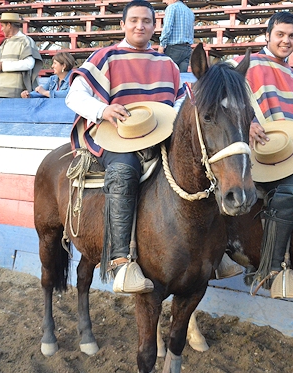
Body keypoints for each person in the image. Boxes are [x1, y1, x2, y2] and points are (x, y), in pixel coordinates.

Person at [65, 0, 184, 293]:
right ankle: (121, 260)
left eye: (146, 21)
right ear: (123, 25)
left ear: (155, 26)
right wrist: (102, 110)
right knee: (123, 170)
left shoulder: (167, 63)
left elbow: (181, 101)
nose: (140, 26)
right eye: (134, 21)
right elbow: (74, 96)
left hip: (159, 135)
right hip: (115, 135)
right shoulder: (106, 56)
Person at [231, 11, 293, 299]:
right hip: (250, 151)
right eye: (280, 34)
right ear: (267, 36)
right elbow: (222, 101)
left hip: (287, 154)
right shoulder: (245, 65)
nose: (286, 41)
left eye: (292, 36)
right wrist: (249, 123)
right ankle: (271, 271)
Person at [0, 13, 42, 98]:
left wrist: (3, 66)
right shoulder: (5, 42)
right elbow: (1, 63)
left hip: (15, 91)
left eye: (2, 26)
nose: (1, 29)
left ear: (9, 25)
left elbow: (29, 64)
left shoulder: (26, 41)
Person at [158, 0, 194, 72]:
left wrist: (162, 45)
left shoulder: (172, 7)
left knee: (168, 77)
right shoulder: (190, 12)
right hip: (187, 49)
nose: (164, 1)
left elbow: (167, 27)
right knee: (181, 78)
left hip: (173, 48)